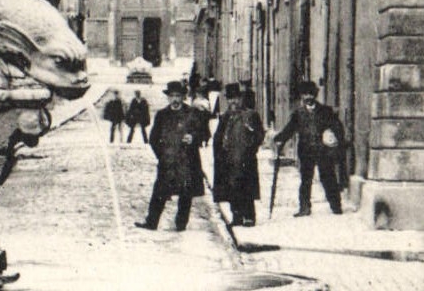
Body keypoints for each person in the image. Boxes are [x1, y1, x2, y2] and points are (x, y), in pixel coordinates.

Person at [135, 80, 205, 231]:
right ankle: (151, 222)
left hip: (186, 161)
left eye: (178, 96)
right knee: (159, 192)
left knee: (185, 194)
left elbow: (203, 133)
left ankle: (181, 224)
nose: (174, 99)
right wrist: (162, 154)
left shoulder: (192, 114)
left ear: (183, 97)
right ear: (168, 97)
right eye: (172, 96)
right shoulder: (162, 115)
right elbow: (153, 138)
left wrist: (193, 138)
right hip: (168, 161)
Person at [274, 80, 347, 216]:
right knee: (305, 179)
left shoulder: (326, 111)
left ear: (315, 95)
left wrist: (336, 142)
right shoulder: (298, 114)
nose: (308, 97)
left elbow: (337, 128)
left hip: (323, 151)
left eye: (310, 94)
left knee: (328, 177)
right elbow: (289, 129)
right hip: (306, 151)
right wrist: (279, 139)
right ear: (302, 96)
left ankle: (336, 206)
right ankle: (304, 208)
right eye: (305, 95)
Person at [213, 87, 266, 226]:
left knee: (246, 188)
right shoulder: (226, 117)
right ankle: (236, 216)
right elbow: (218, 136)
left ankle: (249, 217)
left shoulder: (251, 115)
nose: (234, 101)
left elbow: (260, 134)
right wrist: (219, 155)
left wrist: (252, 148)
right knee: (232, 189)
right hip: (229, 159)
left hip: (245, 158)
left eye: (236, 98)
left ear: (241, 99)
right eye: (231, 99)